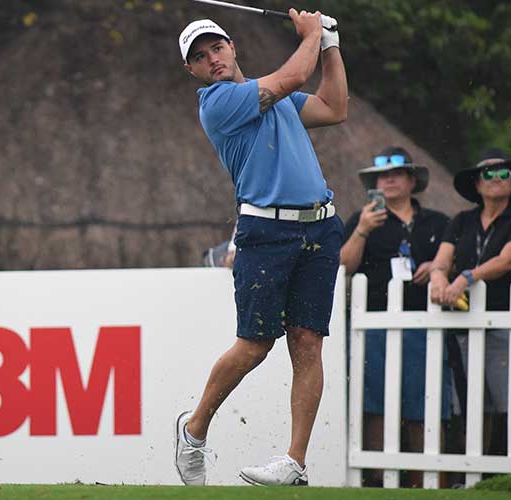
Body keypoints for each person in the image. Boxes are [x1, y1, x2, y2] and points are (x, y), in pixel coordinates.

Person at [174, 10, 346, 486]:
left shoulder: (278, 100)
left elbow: (334, 108)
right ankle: (193, 430)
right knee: (254, 346)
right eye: (200, 57)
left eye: (217, 48)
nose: (212, 59)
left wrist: (330, 44)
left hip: (320, 229)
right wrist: (311, 34)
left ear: (232, 46)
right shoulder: (219, 103)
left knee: (307, 343)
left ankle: (294, 462)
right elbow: (293, 76)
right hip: (265, 232)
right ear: (191, 70)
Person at [340, 147, 453, 487]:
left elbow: (456, 261)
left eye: (397, 173)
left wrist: (437, 267)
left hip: (425, 325)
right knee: (374, 403)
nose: (388, 180)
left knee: (425, 404)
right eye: (382, 176)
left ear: (412, 180)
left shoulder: (438, 222)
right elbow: (343, 266)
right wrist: (361, 230)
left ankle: (427, 482)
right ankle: (377, 481)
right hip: (372, 324)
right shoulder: (362, 218)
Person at [429, 148, 511, 456]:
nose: (496, 178)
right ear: (477, 184)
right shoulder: (462, 221)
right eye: (488, 173)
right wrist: (438, 279)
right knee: (473, 404)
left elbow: (507, 260)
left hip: (507, 322)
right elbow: (441, 262)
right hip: (465, 323)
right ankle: (476, 470)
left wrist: (464, 278)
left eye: (504, 173)